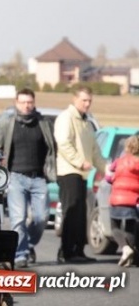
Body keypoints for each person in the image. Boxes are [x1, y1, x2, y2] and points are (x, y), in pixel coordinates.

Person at [0, 88, 56, 268]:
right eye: (23, 102)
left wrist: (51, 168)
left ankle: (28, 245)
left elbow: (52, 148)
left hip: (38, 178)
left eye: (30, 102)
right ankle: (20, 254)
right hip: (15, 177)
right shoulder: (8, 123)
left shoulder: (43, 123)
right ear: (16, 103)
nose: (27, 106)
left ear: (34, 103)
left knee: (42, 218)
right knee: (17, 219)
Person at [54, 85, 106, 264]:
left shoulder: (87, 122)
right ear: (74, 99)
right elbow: (63, 143)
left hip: (82, 174)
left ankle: (78, 250)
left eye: (90, 100)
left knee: (80, 214)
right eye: (84, 100)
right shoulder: (66, 118)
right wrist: (79, 161)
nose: (87, 103)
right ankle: (66, 252)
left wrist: (107, 171)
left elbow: (95, 151)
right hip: (69, 172)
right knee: (71, 212)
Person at [108, 133, 139, 267]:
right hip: (133, 200)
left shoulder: (119, 161)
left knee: (114, 226)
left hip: (117, 199)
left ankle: (125, 248)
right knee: (130, 228)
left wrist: (113, 180)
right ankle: (130, 256)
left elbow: (108, 176)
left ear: (126, 147)